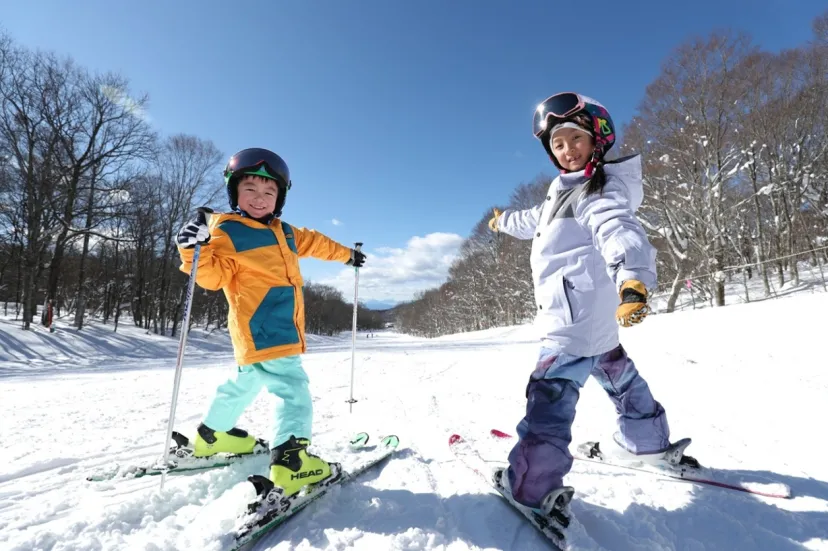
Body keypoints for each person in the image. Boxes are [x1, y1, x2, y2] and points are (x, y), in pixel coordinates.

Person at [488, 92, 695, 523]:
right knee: (620, 376)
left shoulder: (596, 190)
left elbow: (618, 230)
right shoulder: (560, 192)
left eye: (575, 139)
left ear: (597, 140)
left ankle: (531, 485)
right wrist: (501, 221)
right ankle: (648, 442)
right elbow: (532, 220)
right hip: (592, 319)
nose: (566, 150)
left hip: (571, 320)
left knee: (550, 394)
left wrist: (633, 279)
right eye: (557, 144)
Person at [175, 147, 366, 497]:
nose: (260, 198)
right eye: (250, 190)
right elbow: (213, 276)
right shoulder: (229, 231)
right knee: (292, 390)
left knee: (245, 381)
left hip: (257, 335)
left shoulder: (285, 232)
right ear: (235, 193)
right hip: (267, 328)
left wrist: (347, 255)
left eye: (269, 192)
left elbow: (317, 242)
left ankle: (211, 436)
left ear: (279, 197)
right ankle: (291, 462)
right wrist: (192, 251)